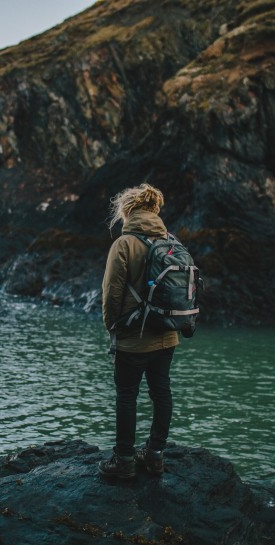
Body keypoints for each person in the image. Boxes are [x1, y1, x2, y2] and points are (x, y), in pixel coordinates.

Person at [98, 183, 178, 479]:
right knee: (162, 393)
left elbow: (111, 295)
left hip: (133, 339)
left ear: (127, 210)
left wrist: (113, 329)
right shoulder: (171, 241)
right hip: (168, 335)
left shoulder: (124, 244)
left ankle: (124, 461)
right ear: (154, 209)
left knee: (127, 396)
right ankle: (155, 456)